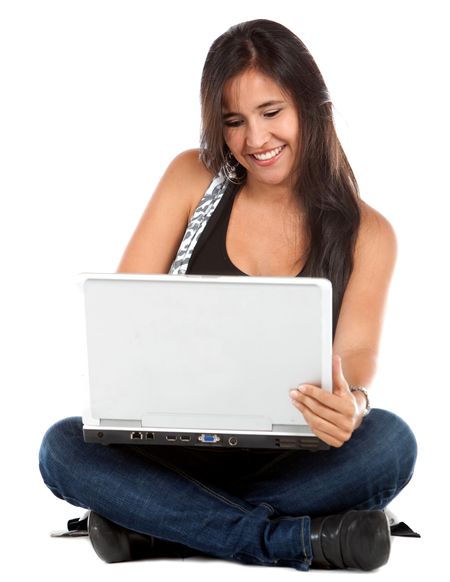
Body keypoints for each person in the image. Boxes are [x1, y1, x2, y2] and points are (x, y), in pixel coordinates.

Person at [39, 19, 417, 572]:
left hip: (287, 461)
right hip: (169, 451)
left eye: (271, 113)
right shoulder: (192, 177)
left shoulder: (369, 232)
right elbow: (124, 316)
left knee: (391, 443)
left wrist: (352, 406)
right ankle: (289, 541)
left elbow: (357, 355)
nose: (255, 141)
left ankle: (157, 528)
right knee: (61, 448)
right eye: (233, 122)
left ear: (313, 105)